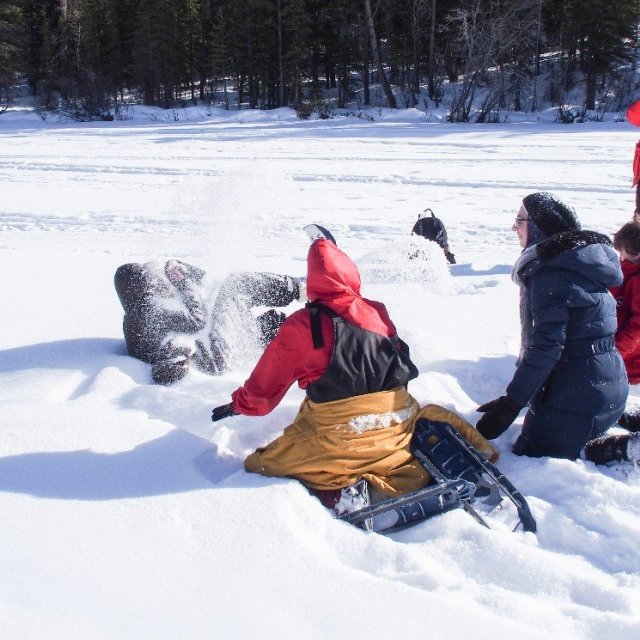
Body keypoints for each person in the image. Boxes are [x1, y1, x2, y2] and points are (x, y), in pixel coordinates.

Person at [211, 234, 496, 515]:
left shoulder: (302, 326)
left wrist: (239, 404)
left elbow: (262, 393)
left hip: (340, 436)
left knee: (259, 465)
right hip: (399, 421)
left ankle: (340, 495)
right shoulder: (376, 311)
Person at [476, 192, 628, 460]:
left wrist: (511, 403)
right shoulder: (576, 260)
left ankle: (622, 450)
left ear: (538, 226)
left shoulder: (551, 273)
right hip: (605, 382)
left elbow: (545, 347)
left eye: (519, 220)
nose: (514, 227)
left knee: (531, 456)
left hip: (579, 393)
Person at [114, 259, 304, 384]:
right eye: (149, 278)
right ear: (139, 286)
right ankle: (301, 288)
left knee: (261, 321)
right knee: (236, 284)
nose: (156, 281)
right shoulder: (150, 313)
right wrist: (183, 283)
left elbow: (208, 284)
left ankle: (299, 334)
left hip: (211, 354)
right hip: (213, 358)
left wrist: (188, 274)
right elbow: (198, 320)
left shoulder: (135, 318)